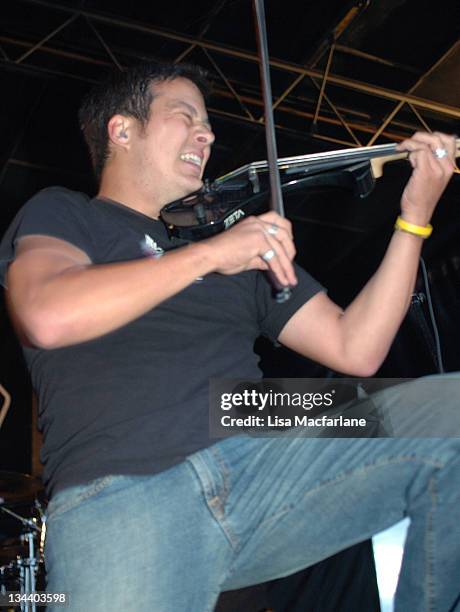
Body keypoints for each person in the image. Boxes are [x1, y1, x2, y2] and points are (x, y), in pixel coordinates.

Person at [0, 62, 459, 611]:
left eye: (209, 124)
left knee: (444, 410)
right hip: (124, 489)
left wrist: (414, 216)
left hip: (252, 445)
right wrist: (213, 253)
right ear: (122, 131)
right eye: (185, 116)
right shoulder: (66, 213)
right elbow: (47, 315)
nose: (208, 134)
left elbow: (354, 349)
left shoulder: (240, 252)